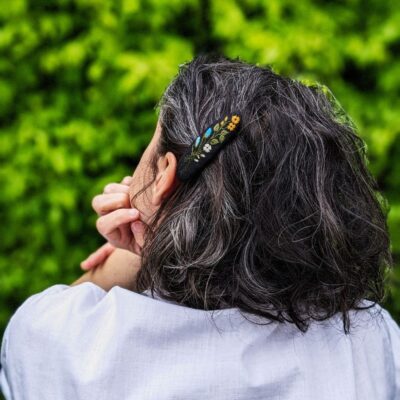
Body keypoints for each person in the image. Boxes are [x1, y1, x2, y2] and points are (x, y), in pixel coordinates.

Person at [1, 54, 399, 399]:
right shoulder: (369, 342)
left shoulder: (67, 344)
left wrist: (134, 258)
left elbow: (39, 341)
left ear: (164, 176)